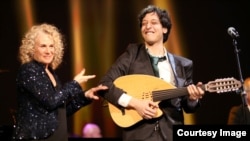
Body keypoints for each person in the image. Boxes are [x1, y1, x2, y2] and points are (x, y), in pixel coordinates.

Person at [98, 5, 204, 141]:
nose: (148, 26)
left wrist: (192, 99)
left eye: (154, 22)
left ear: (165, 29)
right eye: (144, 23)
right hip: (139, 135)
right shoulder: (132, 54)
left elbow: (188, 106)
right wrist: (136, 103)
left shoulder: (183, 64)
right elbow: (104, 85)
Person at [12, 23, 108, 141]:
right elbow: (51, 101)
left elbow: (61, 111)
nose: (48, 51)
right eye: (43, 46)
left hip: (57, 136)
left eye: (51, 46)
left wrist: (84, 96)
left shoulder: (51, 73)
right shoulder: (28, 70)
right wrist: (74, 83)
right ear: (32, 49)